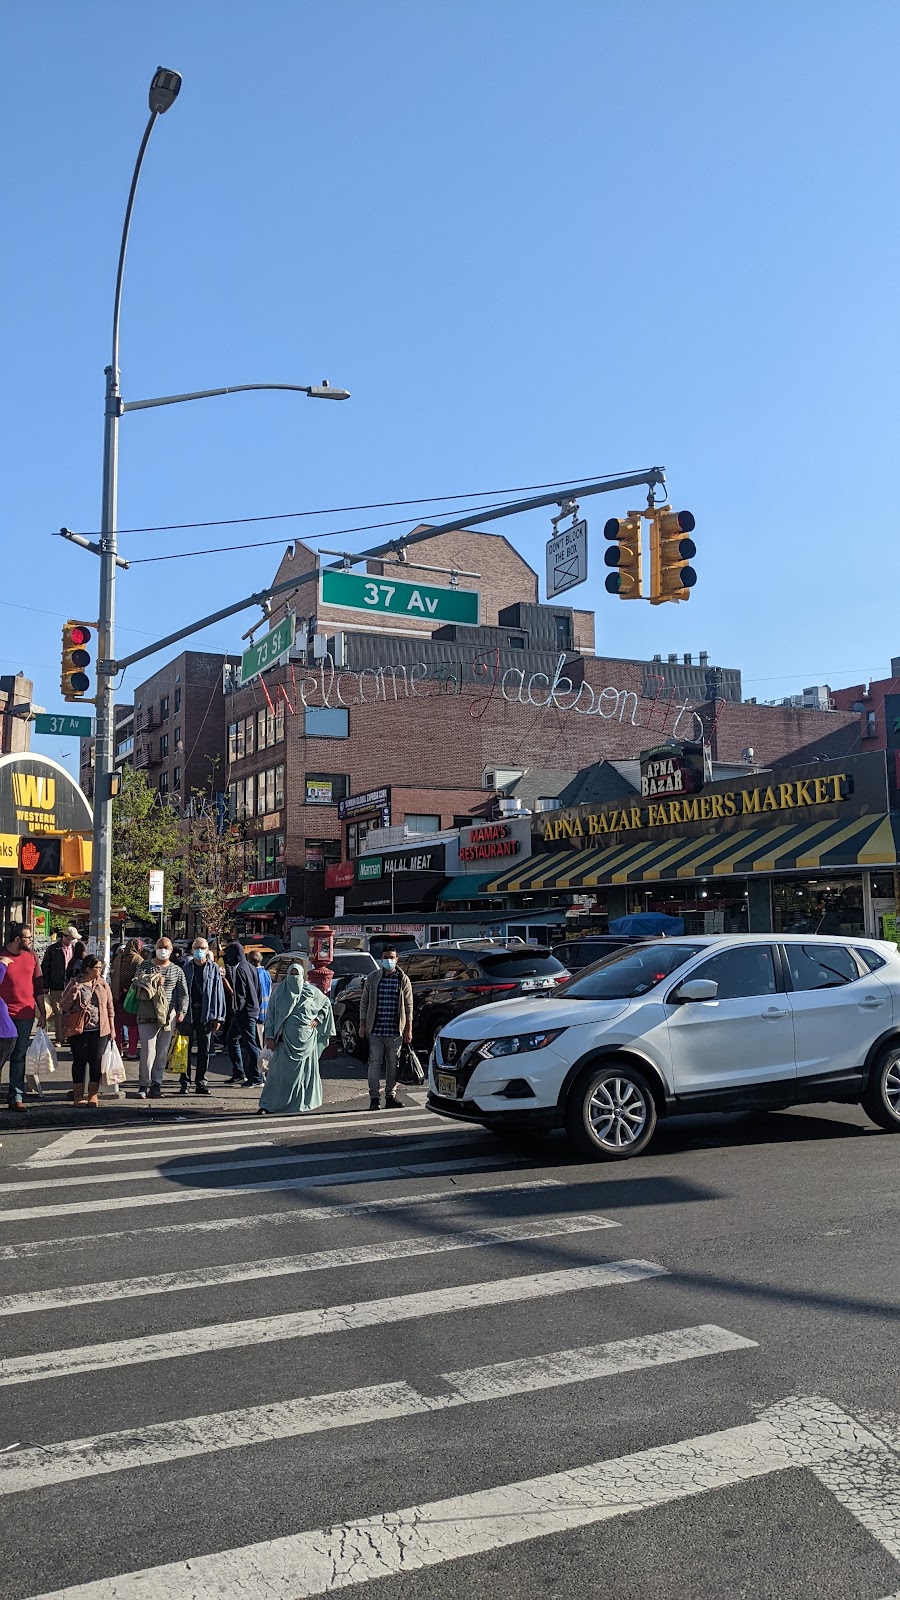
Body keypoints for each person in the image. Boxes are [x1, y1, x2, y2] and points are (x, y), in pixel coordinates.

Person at [259, 962, 334, 1114]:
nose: (294, 978)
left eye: (297, 975)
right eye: (291, 974)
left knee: (303, 1077)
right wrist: (270, 1036)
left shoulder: (311, 992)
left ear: (303, 976)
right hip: (284, 1042)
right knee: (277, 1075)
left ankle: (302, 1104)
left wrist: (318, 1019)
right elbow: (271, 1017)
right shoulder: (279, 993)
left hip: (306, 1043)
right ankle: (269, 1105)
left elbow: (326, 1004)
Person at [133, 936, 189, 1100]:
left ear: (171, 951)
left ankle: (156, 1084)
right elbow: (136, 981)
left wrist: (182, 1011)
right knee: (148, 1051)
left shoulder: (177, 970)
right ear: (155, 949)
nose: (163, 950)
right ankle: (144, 1084)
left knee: (162, 1052)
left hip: (167, 1015)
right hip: (147, 1013)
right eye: (160, 947)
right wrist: (153, 979)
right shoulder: (145, 965)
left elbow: (183, 993)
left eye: (166, 947)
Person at [359, 946, 413, 1110]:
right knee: (374, 1064)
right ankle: (374, 1098)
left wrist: (408, 1030)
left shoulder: (402, 979)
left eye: (391, 957)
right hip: (375, 1029)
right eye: (385, 957)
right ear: (381, 959)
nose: (388, 960)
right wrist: (362, 1025)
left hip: (395, 1031)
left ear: (396, 959)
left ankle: (390, 1096)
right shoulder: (373, 978)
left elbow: (409, 1006)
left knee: (393, 1065)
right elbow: (364, 1002)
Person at [59, 954, 116, 1108]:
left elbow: (110, 1007)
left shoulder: (103, 984)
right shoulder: (75, 983)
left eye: (101, 967)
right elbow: (63, 1005)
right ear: (88, 969)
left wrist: (112, 1028)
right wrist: (73, 992)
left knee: (96, 1061)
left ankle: (93, 1094)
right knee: (79, 1061)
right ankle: (78, 1095)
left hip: (100, 1029)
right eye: (97, 967)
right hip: (80, 1029)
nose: (100, 970)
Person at [0, 923, 46, 1112]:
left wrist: (42, 1012)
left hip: (26, 1013)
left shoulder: (32, 956)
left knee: (19, 1055)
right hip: (4, 1014)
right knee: (1, 1056)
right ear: (17, 939)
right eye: (28, 938)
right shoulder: (2, 956)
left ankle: (16, 1096)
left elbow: (38, 986)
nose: (31, 941)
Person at [181, 938, 226, 1095]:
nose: (200, 950)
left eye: (203, 948)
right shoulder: (185, 967)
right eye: (197, 948)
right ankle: (184, 1082)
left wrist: (218, 1017)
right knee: (184, 1049)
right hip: (188, 1014)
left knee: (204, 1050)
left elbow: (218, 994)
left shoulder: (213, 968)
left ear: (208, 950)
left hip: (206, 1015)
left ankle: (201, 1082)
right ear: (192, 949)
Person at [223, 941, 262, 1085]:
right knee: (232, 1039)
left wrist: (237, 1009)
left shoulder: (240, 969)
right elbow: (258, 989)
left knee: (250, 1044)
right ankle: (239, 1072)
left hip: (244, 1012)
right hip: (251, 1009)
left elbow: (241, 993)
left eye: (229, 954)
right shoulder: (251, 967)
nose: (228, 958)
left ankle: (256, 1077)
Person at [40, 926, 79, 1044]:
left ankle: (70, 1036)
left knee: (71, 1010)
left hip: (72, 984)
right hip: (57, 984)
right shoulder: (53, 949)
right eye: (71, 938)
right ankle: (60, 1038)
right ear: (65, 937)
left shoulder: (75, 948)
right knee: (59, 1011)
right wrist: (46, 985)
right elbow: (45, 968)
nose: (72, 941)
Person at [109, 937, 143, 1060]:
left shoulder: (118, 958)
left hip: (117, 994)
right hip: (131, 996)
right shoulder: (138, 960)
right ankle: (132, 1051)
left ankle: (118, 1050)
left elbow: (112, 974)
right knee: (133, 1025)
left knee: (117, 1024)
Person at [248, 949, 272, 1048]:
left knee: (258, 1042)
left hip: (258, 1011)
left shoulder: (254, 974)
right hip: (267, 1011)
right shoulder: (266, 973)